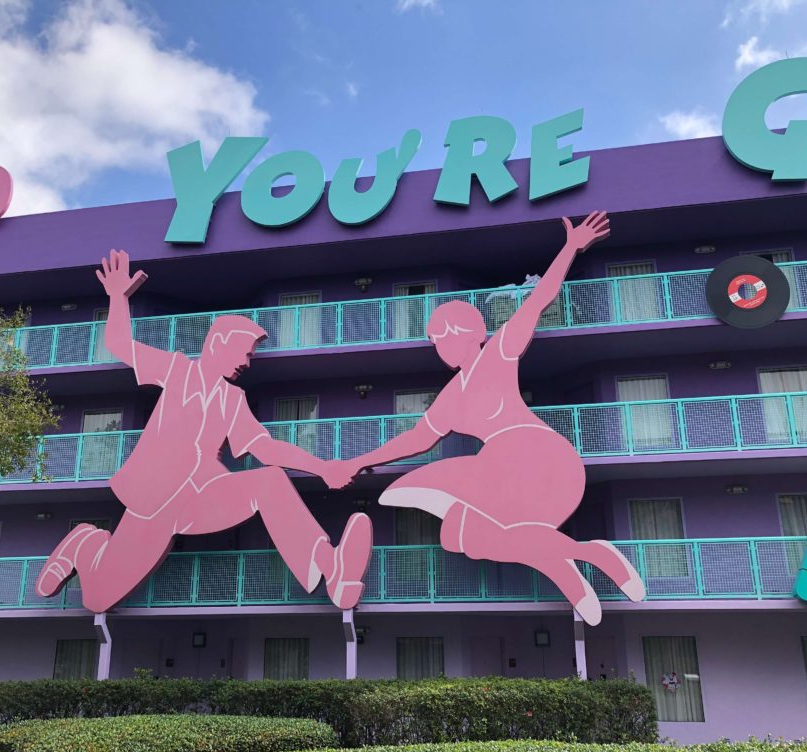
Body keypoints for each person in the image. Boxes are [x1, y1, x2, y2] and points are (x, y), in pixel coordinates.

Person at [337, 212, 643, 625]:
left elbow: (538, 301)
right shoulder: (449, 397)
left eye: (447, 334)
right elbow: (414, 439)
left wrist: (571, 247)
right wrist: (358, 461)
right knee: (465, 538)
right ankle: (584, 556)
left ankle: (578, 563)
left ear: (473, 331)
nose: (441, 345)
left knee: (476, 530)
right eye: (434, 339)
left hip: (538, 456)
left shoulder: (499, 354)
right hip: (499, 468)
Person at [35, 250, 369, 614]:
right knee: (98, 597)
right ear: (218, 343)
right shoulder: (176, 370)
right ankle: (85, 544)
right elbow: (119, 345)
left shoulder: (233, 398)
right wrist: (118, 296)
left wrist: (321, 467)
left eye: (252, 357)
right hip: (154, 503)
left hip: (202, 497)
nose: (246, 362)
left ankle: (330, 566)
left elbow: (265, 448)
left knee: (270, 482)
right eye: (244, 352)